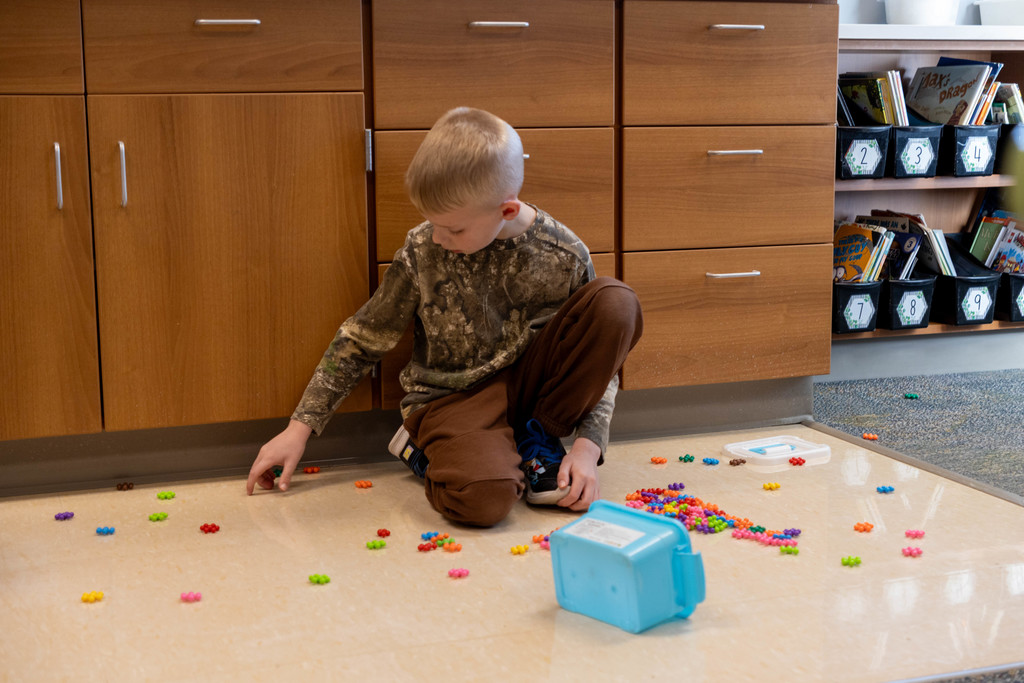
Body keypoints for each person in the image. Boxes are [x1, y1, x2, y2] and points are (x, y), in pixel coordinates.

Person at [246, 107, 642, 526]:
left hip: (532, 391)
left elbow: (603, 363)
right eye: (433, 223)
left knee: (616, 301)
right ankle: (420, 450)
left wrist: (587, 447)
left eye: (453, 230)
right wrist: (299, 428)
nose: (439, 238)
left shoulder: (565, 253)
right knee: (484, 501)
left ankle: (536, 438)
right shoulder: (423, 249)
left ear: (507, 211)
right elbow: (363, 338)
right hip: (451, 399)